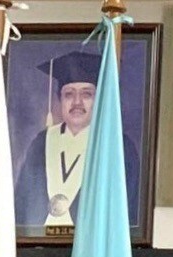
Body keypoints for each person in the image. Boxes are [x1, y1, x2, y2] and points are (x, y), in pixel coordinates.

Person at [14, 51, 141, 232]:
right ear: (60, 100)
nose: (77, 102)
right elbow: (22, 202)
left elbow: (127, 209)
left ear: (99, 100)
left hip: (92, 250)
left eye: (86, 94)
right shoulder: (41, 143)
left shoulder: (118, 147)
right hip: (39, 247)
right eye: (69, 94)